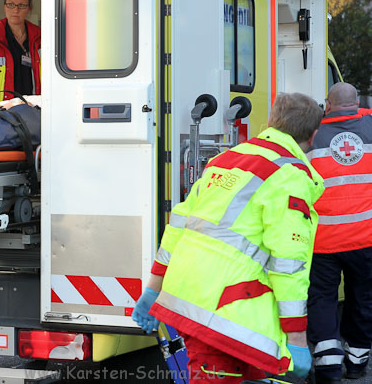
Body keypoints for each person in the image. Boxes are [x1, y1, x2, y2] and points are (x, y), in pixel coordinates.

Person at [132, 92, 325, 383]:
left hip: (191, 298)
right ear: (313, 135)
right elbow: (288, 263)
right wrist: (297, 337)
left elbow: (178, 225)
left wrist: (153, 288)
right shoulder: (290, 176)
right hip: (227, 315)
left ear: (272, 121)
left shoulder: (225, 159)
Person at [306, 82, 372, 383]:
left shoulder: (312, 134)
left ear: (328, 105)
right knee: (363, 298)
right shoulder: (369, 126)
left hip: (324, 240)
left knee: (322, 299)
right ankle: (357, 362)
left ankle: (328, 366)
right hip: (365, 237)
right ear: (356, 103)